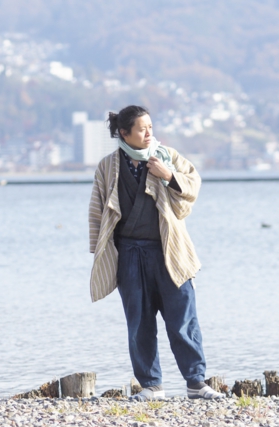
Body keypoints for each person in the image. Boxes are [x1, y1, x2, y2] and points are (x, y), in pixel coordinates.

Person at [88, 105, 224, 401]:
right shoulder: (108, 166)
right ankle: (151, 386)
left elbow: (193, 186)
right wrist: (98, 251)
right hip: (129, 253)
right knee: (139, 321)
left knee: (183, 315)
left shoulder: (167, 156)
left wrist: (168, 175)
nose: (149, 133)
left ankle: (196, 382)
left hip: (169, 250)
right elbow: (97, 210)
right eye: (141, 129)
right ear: (124, 134)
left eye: (150, 126)